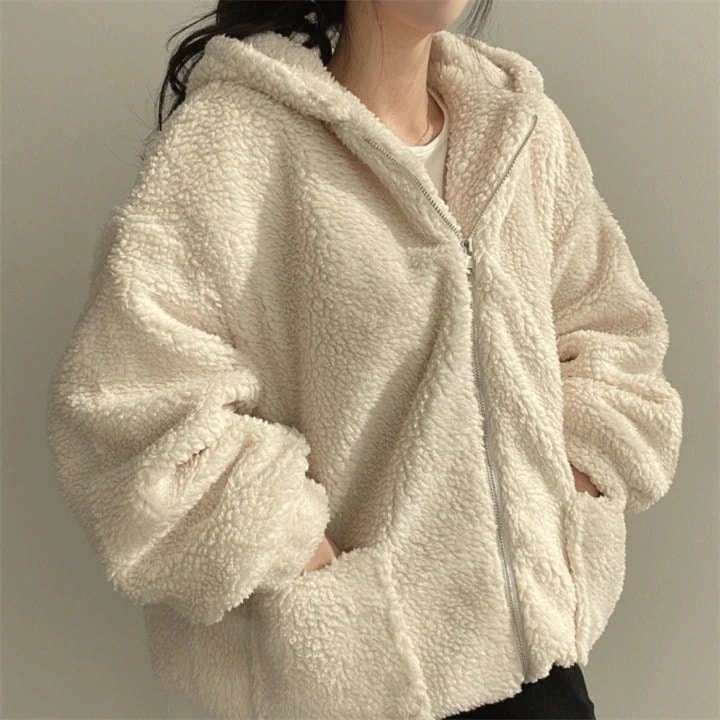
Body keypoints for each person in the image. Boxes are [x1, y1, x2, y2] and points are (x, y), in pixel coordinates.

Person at [44, 1, 684, 719]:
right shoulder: (237, 143)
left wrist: (572, 484)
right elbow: (124, 402)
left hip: (542, 674)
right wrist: (302, 556)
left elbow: (614, 330)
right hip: (368, 683)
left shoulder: (522, 132)